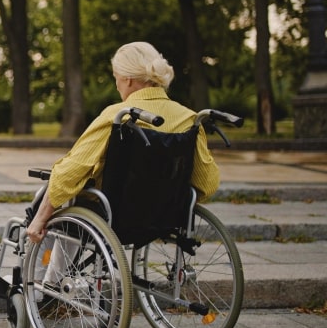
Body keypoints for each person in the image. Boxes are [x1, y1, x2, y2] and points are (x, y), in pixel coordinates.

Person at [26, 41, 220, 245]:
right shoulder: (189, 119)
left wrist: (40, 218)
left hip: (114, 217)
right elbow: (207, 184)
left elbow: (71, 171)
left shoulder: (118, 116)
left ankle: (46, 276)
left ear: (127, 79)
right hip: (164, 217)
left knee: (59, 200)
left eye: (115, 77)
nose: (116, 83)